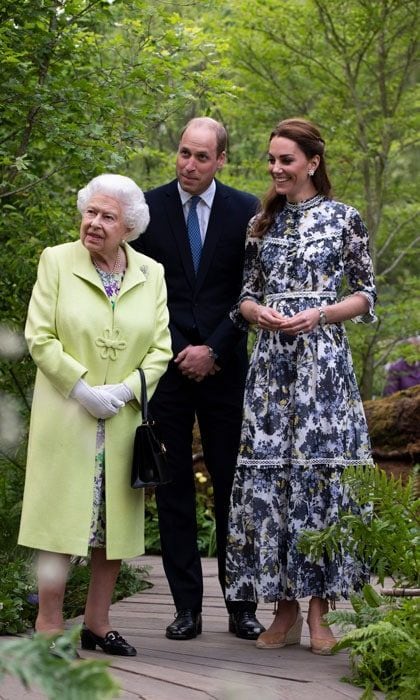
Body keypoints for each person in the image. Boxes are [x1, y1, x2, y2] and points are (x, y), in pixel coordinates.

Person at [225, 118, 377, 655]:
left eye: (285, 160)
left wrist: (322, 314)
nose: (275, 169)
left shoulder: (344, 219)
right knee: (274, 486)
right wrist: (256, 312)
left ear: (312, 162)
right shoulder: (260, 224)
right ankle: (282, 611)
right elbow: (243, 296)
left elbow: (365, 296)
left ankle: (319, 613)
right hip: (271, 372)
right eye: (271, 160)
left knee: (318, 481)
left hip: (322, 368)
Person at [18, 174, 172, 657]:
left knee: (111, 527)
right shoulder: (57, 261)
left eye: (107, 217)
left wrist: (127, 390)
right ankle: (47, 624)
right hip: (69, 415)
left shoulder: (152, 272)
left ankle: (98, 624)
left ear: (128, 226)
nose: (94, 224)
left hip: (123, 421)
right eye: (90, 212)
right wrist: (82, 388)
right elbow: (39, 336)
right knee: (59, 524)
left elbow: (161, 347)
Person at [132, 117, 264, 640]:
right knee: (174, 490)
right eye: (184, 153)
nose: (188, 164)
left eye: (201, 157)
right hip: (165, 368)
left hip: (226, 366)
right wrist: (180, 348)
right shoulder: (148, 208)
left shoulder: (247, 210)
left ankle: (241, 607)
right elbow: (138, 288)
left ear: (221, 160)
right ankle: (185, 608)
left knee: (234, 485)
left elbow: (251, 288)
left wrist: (214, 347)